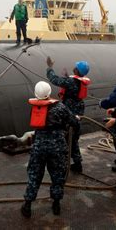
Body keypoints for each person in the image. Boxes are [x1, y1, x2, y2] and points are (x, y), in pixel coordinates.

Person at [21, 81, 78, 218]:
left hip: (39, 146)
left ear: (36, 94)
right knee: (58, 175)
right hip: (57, 146)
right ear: (49, 93)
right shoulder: (60, 107)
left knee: (34, 175)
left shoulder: (35, 108)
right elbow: (73, 122)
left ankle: (28, 205)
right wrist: (75, 119)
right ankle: (56, 204)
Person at [46, 56, 90, 173]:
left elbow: (55, 80)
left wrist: (50, 68)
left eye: (75, 67)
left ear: (77, 71)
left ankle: (63, 167)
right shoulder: (80, 81)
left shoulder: (71, 82)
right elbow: (72, 87)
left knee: (65, 140)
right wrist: (66, 78)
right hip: (78, 111)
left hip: (69, 113)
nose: (73, 68)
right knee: (73, 140)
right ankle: (77, 163)